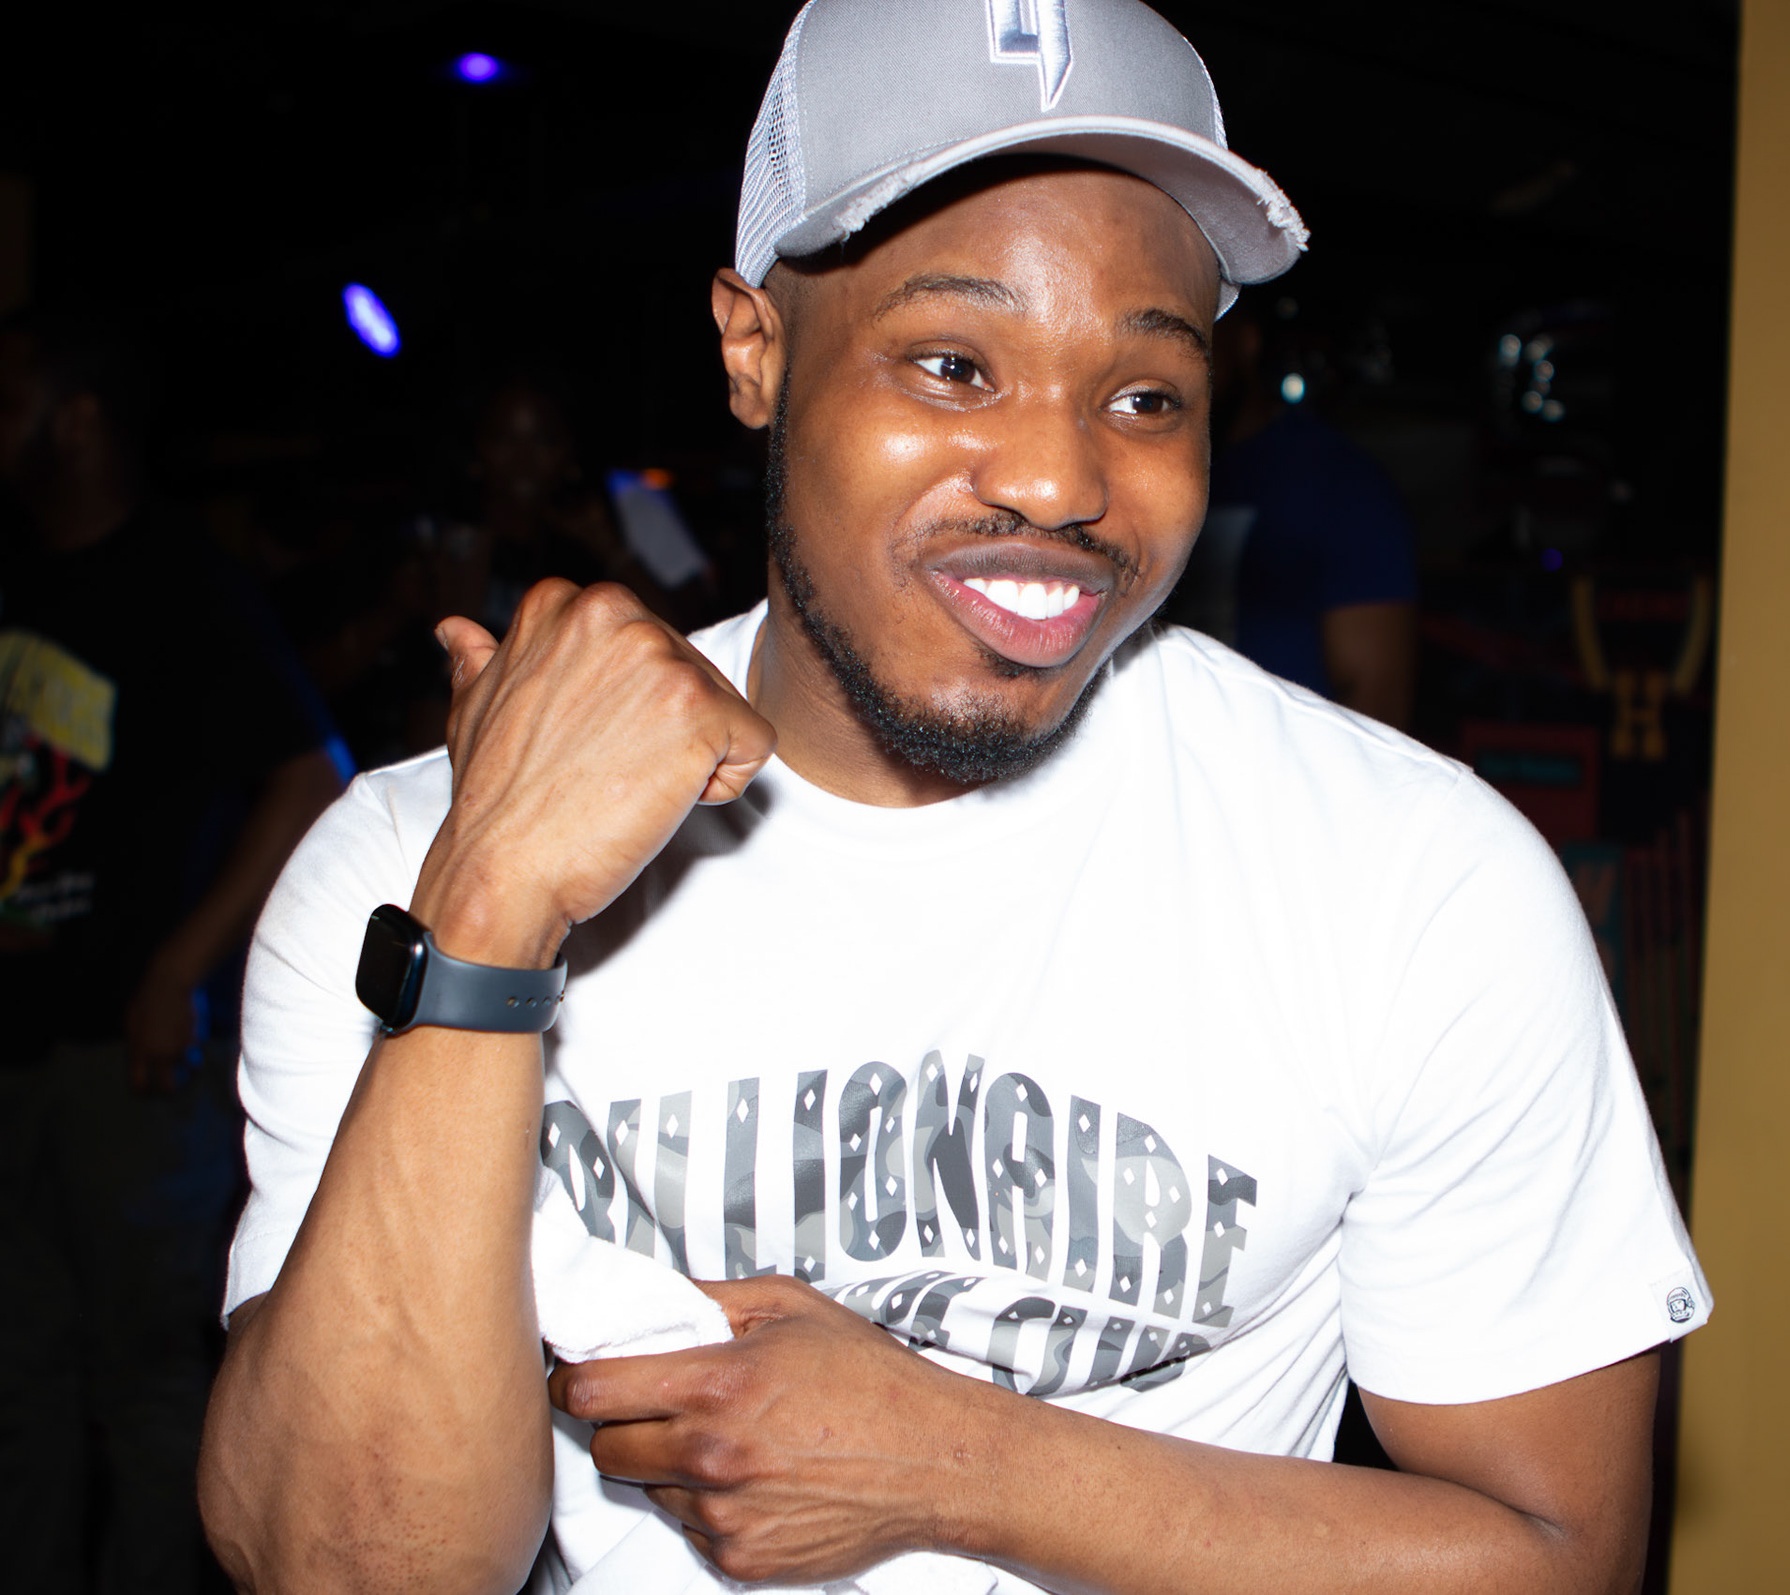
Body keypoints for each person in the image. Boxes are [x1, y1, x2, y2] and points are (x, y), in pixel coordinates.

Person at [199, 3, 1709, 1593]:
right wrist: (490, 914)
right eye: (952, 363)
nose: (1059, 479)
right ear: (755, 349)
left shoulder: (1414, 882)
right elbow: (347, 1568)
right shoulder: (407, 864)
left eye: (1146, 394)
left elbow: (1558, 1555)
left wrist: (953, 1463)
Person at [0, 303, 344, 1591]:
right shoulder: (15, 571)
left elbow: (310, 771)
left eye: (12, 399)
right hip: (14, 1050)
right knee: (20, 1385)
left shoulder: (178, 577)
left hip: (131, 1065)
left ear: (78, 419)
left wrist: (174, 968)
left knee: (148, 1386)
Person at [1175, 289, 1420, 728]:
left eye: (1198, 339)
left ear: (1246, 341)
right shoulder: (1140, 476)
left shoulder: (1339, 483)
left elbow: (1378, 703)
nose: (1178, 369)